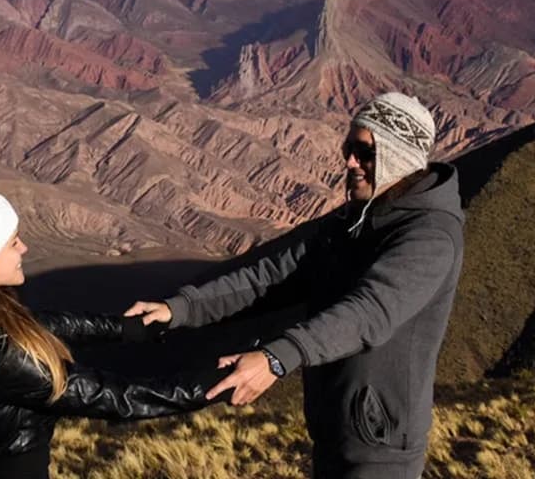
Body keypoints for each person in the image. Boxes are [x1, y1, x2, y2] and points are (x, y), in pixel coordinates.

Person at [125, 92, 465, 479]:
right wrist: (180, 309)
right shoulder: (354, 220)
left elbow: (368, 313)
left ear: (399, 157)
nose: (350, 162)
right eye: (348, 148)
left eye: (364, 152)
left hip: (380, 447)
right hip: (333, 428)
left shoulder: (430, 237)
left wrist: (276, 358)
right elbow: (271, 275)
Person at [0, 186, 231, 479]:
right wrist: (218, 384)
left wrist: (133, 328)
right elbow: (115, 397)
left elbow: (46, 324)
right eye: (13, 243)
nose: (24, 248)